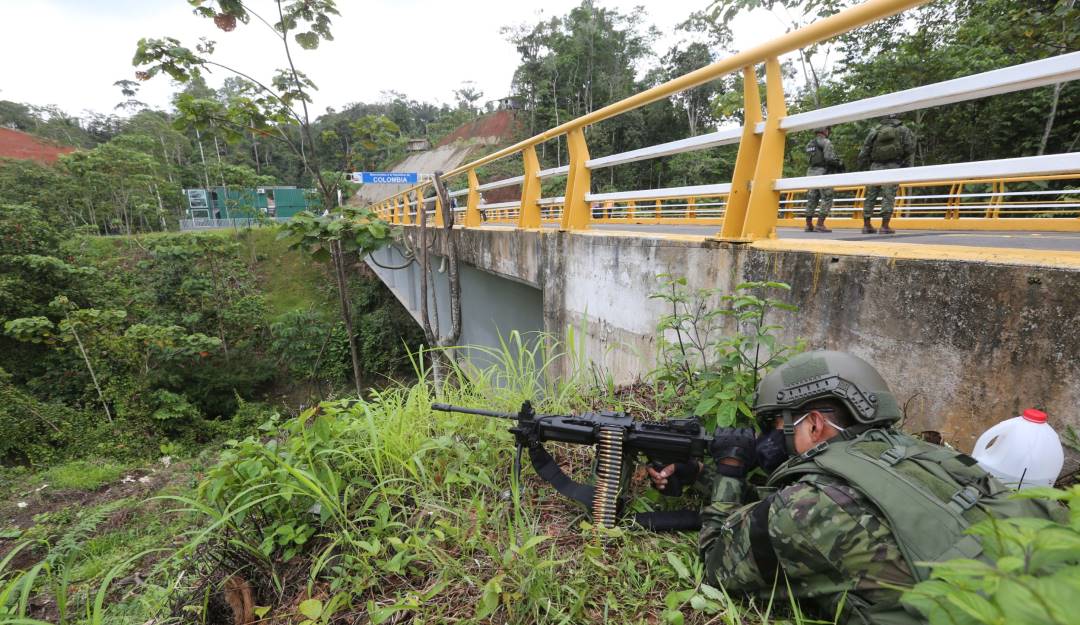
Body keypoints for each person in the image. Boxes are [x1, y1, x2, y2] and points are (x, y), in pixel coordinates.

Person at [649, 350, 1065, 625]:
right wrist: (700, 478)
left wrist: (730, 471)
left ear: (813, 423)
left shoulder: (808, 508)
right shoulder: (915, 452)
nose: (775, 438)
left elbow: (720, 563)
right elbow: (850, 509)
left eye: (780, 426)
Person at [858, 114, 915, 234]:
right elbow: (910, 148)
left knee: (871, 195)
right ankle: (884, 226)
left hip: (875, 166)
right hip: (893, 165)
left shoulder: (875, 130)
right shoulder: (903, 129)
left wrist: (867, 163)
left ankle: (866, 225)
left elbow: (864, 151)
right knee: (888, 196)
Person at [803, 127, 842, 233]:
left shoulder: (810, 144)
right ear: (825, 131)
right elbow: (828, 158)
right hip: (823, 172)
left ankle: (808, 224)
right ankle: (820, 224)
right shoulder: (826, 142)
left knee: (812, 198)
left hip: (810, 173)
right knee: (827, 197)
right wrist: (839, 163)